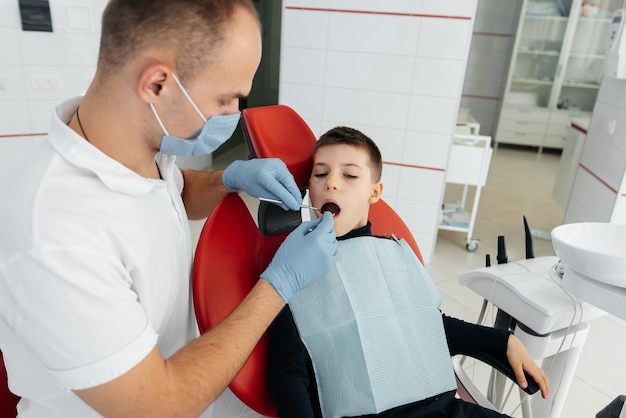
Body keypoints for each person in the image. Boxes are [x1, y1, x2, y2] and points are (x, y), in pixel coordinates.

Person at [0, 1, 338, 416]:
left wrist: (228, 178)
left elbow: (168, 195)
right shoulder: (53, 233)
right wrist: (279, 284)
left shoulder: (139, 146)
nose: (235, 114)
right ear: (157, 84)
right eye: (227, 97)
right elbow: (160, 405)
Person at [267, 126, 550, 418]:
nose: (332, 184)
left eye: (350, 175)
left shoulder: (394, 254)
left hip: (444, 410)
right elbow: (288, 371)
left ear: (374, 192)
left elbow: (428, 326)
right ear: (309, 189)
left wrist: (503, 340)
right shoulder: (297, 269)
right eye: (320, 174)